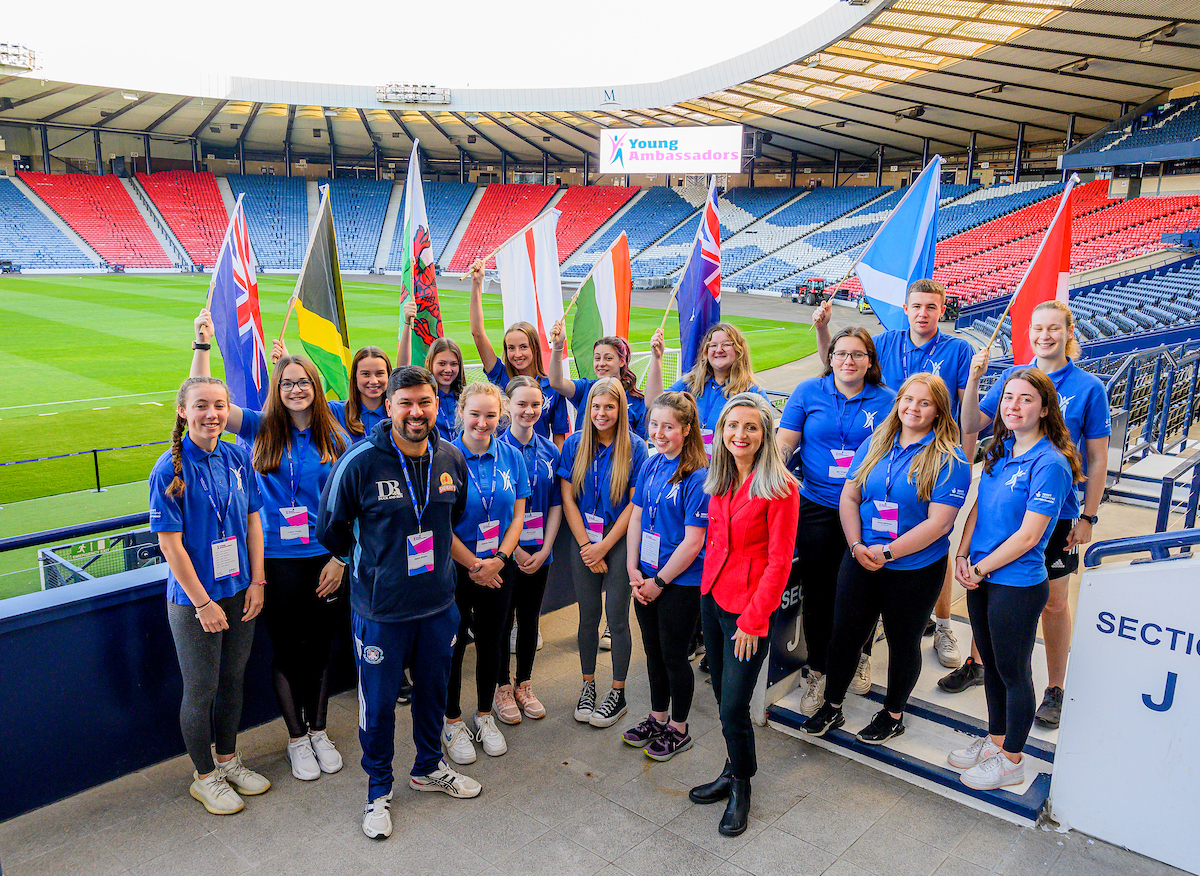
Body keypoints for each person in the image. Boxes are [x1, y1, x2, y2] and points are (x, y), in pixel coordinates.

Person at [317, 366, 481, 841]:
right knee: (381, 704)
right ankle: (378, 788)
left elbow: (456, 515)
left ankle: (428, 767)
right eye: (405, 402)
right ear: (388, 406)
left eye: (425, 401)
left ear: (437, 404)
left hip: (437, 605)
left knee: (433, 691)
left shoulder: (450, 458)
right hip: (381, 612)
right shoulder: (361, 461)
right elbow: (332, 528)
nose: (416, 411)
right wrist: (371, 564)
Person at [190, 311, 350, 782]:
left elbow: (348, 504)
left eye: (304, 382)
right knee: (287, 650)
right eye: (288, 383)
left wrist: (341, 557)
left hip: (324, 558)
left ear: (316, 387)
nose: (296, 390)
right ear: (277, 390)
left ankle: (320, 730)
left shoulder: (333, 432)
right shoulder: (261, 426)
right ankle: (297, 737)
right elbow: (201, 401)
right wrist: (202, 347)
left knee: (320, 648)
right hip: (276, 563)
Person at [945, 300, 1110, 727]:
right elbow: (971, 426)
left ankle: (1055, 685)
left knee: (1053, 604)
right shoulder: (1010, 378)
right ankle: (979, 661)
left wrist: (1088, 516)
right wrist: (975, 381)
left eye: (1054, 328)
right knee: (988, 590)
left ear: (1068, 332)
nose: (1045, 335)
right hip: (1005, 505)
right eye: (1038, 327)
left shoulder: (1088, 386)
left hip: (1056, 513)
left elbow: (1096, 456)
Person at [814, 279, 975, 669]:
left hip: (936, 457)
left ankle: (943, 623)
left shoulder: (958, 349)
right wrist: (822, 329)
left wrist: (963, 458)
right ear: (906, 309)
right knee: (875, 547)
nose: (923, 313)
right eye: (916, 306)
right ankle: (866, 648)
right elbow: (837, 367)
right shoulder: (885, 342)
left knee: (933, 541)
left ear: (942, 310)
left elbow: (967, 411)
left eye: (931, 307)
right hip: (890, 453)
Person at [801, 375, 970, 744]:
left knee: (901, 641)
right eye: (907, 399)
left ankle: (893, 714)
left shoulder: (950, 458)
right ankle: (832, 705)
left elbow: (939, 523)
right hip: (861, 557)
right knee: (844, 634)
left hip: (912, 568)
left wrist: (888, 552)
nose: (913, 408)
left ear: (939, 410)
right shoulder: (876, 442)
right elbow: (849, 498)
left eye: (924, 403)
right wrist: (856, 544)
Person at [948, 368, 1081, 790]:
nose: (1014, 406)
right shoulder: (999, 450)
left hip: (1016, 584)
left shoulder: (1051, 463)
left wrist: (981, 568)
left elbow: (1029, 535)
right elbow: (978, 510)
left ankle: (1012, 760)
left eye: (1025, 399)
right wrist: (963, 555)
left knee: (1013, 671)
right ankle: (996, 739)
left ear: (1044, 408)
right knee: (990, 667)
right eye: (1008, 398)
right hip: (981, 576)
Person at [149, 376, 270, 816]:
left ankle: (228, 759)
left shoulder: (238, 455)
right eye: (202, 405)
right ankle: (204, 777)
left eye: (220, 405)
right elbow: (171, 545)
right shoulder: (169, 468)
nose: (213, 414)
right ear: (183, 411)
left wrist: (257, 580)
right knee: (201, 689)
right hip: (194, 601)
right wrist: (202, 603)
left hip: (240, 590)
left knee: (232, 681)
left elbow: (254, 520)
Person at [689, 393, 799, 837]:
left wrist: (754, 620)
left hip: (747, 613)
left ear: (765, 433)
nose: (740, 434)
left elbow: (779, 562)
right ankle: (731, 768)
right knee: (721, 697)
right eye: (733, 425)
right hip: (713, 598)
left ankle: (742, 786)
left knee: (734, 705)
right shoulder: (722, 476)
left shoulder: (781, 488)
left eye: (750, 427)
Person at [776, 327, 896, 715]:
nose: (848, 360)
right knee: (820, 593)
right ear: (830, 357)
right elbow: (784, 444)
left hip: (866, 510)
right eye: (841, 353)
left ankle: (861, 653)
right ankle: (817, 670)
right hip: (816, 507)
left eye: (858, 354)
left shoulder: (887, 400)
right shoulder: (808, 392)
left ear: (870, 361)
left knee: (862, 589)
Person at [442, 382, 529, 764]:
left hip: (498, 566)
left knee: (493, 641)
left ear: (501, 416)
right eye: (475, 413)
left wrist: (500, 558)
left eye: (490, 415)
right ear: (461, 412)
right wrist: (475, 566)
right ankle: (452, 720)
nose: (482, 422)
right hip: (455, 569)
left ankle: (483, 716)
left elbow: (518, 515)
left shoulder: (511, 456)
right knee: (455, 645)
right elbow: (437, 525)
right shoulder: (443, 457)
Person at [622, 390, 710, 760]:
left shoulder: (699, 477)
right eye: (654, 424)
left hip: (679, 582)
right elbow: (637, 516)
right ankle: (658, 717)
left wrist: (658, 583)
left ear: (687, 429)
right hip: (644, 576)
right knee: (654, 652)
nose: (659, 433)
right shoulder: (651, 463)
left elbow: (693, 543)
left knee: (674, 654)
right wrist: (632, 568)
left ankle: (679, 727)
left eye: (669, 427)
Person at [558, 377, 648, 729]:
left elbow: (633, 505)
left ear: (620, 409)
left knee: (617, 616)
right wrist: (585, 546)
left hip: (618, 540)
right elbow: (567, 498)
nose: (601, 412)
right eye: (596, 406)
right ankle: (588, 685)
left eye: (609, 406)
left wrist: (604, 547)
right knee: (588, 616)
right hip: (584, 541)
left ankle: (618, 692)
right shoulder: (575, 444)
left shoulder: (635, 447)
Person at [495, 376, 563, 723]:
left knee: (530, 620)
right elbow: (496, 509)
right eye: (522, 404)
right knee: (503, 622)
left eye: (535, 404)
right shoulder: (496, 450)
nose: (529, 410)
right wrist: (515, 551)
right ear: (507, 405)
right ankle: (502, 688)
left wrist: (546, 548)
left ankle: (524, 684)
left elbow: (555, 505)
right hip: (506, 555)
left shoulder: (551, 451)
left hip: (541, 554)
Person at [467, 259, 570, 447]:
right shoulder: (500, 375)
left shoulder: (552, 385)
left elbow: (559, 435)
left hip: (537, 467)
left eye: (523, 347)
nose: (517, 354)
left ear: (535, 348)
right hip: (502, 464)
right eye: (510, 348)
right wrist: (477, 283)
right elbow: (478, 334)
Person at [645, 322, 767, 456]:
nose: (719, 349)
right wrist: (657, 358)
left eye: (726, 344)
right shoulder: (691, 383)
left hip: (728, 472)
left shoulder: (752, 393)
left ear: (739, 351)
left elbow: (767, 439)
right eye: (713, 345)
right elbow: (654, 403)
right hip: (691, 470)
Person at [548, 320, 648, 438]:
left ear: (622, 361)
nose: (601, 363)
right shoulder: (585, 388)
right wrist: (558, 346)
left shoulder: (638, 401)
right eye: (597, 358)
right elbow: (556, 382)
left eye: (608, 358)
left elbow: (642, 444)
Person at [398, 297, 465, 442]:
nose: (448, 369)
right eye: (442, 363)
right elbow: (401, 371)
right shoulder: (421, 396)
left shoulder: (466, 397)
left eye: (454, 364)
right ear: (429, 362)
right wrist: (407, 323)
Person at [328, 346, 393, 444]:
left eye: (380, 373)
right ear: (355, 377)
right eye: (366, 374)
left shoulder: (398, 413)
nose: (373, 381)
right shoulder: (335, 411)